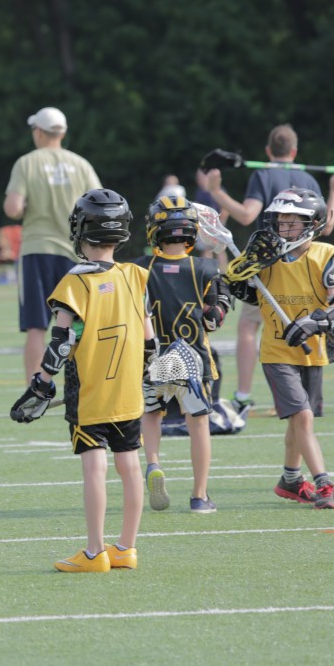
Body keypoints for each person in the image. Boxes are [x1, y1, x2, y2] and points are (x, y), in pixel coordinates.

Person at [11, 189, 152, 572]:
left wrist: (41, 382)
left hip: (90, 395)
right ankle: (126, 548)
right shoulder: (136, 275)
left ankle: (94, 552)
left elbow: (60, 342)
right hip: (128, 394)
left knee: (94, 468)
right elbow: (150, 342)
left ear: (80, 230)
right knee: (130, 466)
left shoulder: (75, 282)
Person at [198, 124, 334, 415]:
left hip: (269, 268)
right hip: (306, 269)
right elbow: (326, 225)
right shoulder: (307, 178)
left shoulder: (263, 175)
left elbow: (247, 215)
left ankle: (243, 395)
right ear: (294, 151)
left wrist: (216, 191)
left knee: (249, 327)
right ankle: (303, 397)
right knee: (306, 325)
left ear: (268, 150)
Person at [230, 187, 334, 509]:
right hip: (277, 351)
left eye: (292, 222)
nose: (284, 229)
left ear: (313, 223)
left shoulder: (325, 255)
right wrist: (238, 272)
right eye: (281, 222)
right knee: (303, 416)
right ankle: (323, 483)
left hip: (313, 349)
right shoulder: (267, 257)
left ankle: (291, 479)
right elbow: (241, 289)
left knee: (300, 421)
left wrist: (313, 322)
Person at [135, 193, 229, 514]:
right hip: (193, 360)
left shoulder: (139, 269)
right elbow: (215, 318)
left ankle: (153, 463)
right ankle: (199, 495)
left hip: (154, 358)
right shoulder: (206, 268)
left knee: (151, 415)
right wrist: (219, 303)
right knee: (198, 423)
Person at [4, 106, 102, 380]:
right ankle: (86, 385)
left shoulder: (26, 163)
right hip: (77, 254)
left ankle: (35, 390)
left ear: (38, 132)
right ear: (63, 133)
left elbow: (13, 208)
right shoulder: (81, 164)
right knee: (82, 325)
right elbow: (100, 204)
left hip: (37, 250)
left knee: (36, 327)